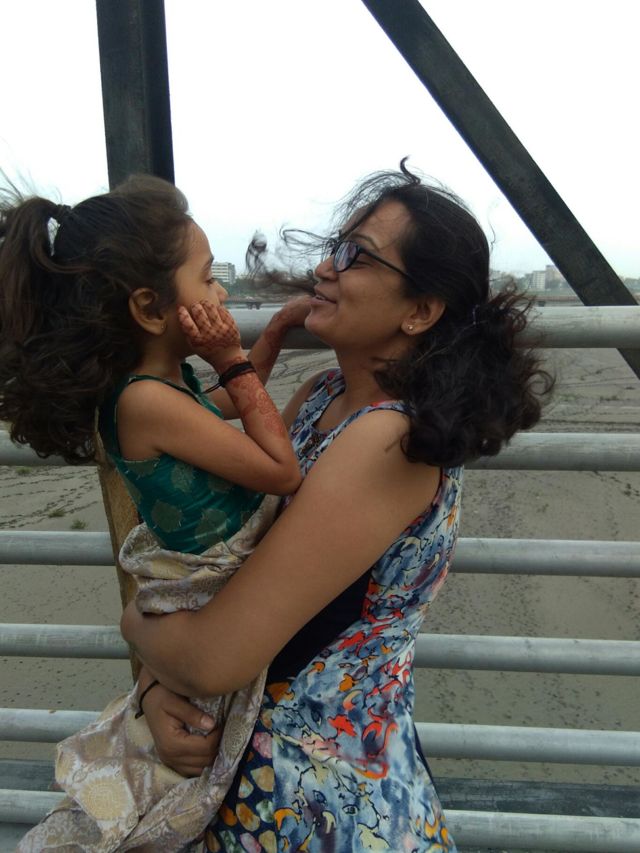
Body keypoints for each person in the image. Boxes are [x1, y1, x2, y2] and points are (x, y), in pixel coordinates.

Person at [120, 161, 554, 852]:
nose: (325, 267)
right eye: (335, 246)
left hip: (320, 805)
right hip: (258, 782)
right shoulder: (323, 397)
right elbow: (222, 567)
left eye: (357, 255)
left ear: (420, 311)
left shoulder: (389, 442)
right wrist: (151, 689)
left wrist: (133, 620)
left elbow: (210, 658)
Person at [0, 175, 311, 850]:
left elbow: (227, 403)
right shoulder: (144, 401)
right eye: (207, 278)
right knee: (205, 749)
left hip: (203, 561)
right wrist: (231, 357)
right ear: (149, 307)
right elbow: (280, 470)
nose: (220, 295)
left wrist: (274, 334)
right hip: (206, 576)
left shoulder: (162, 382)